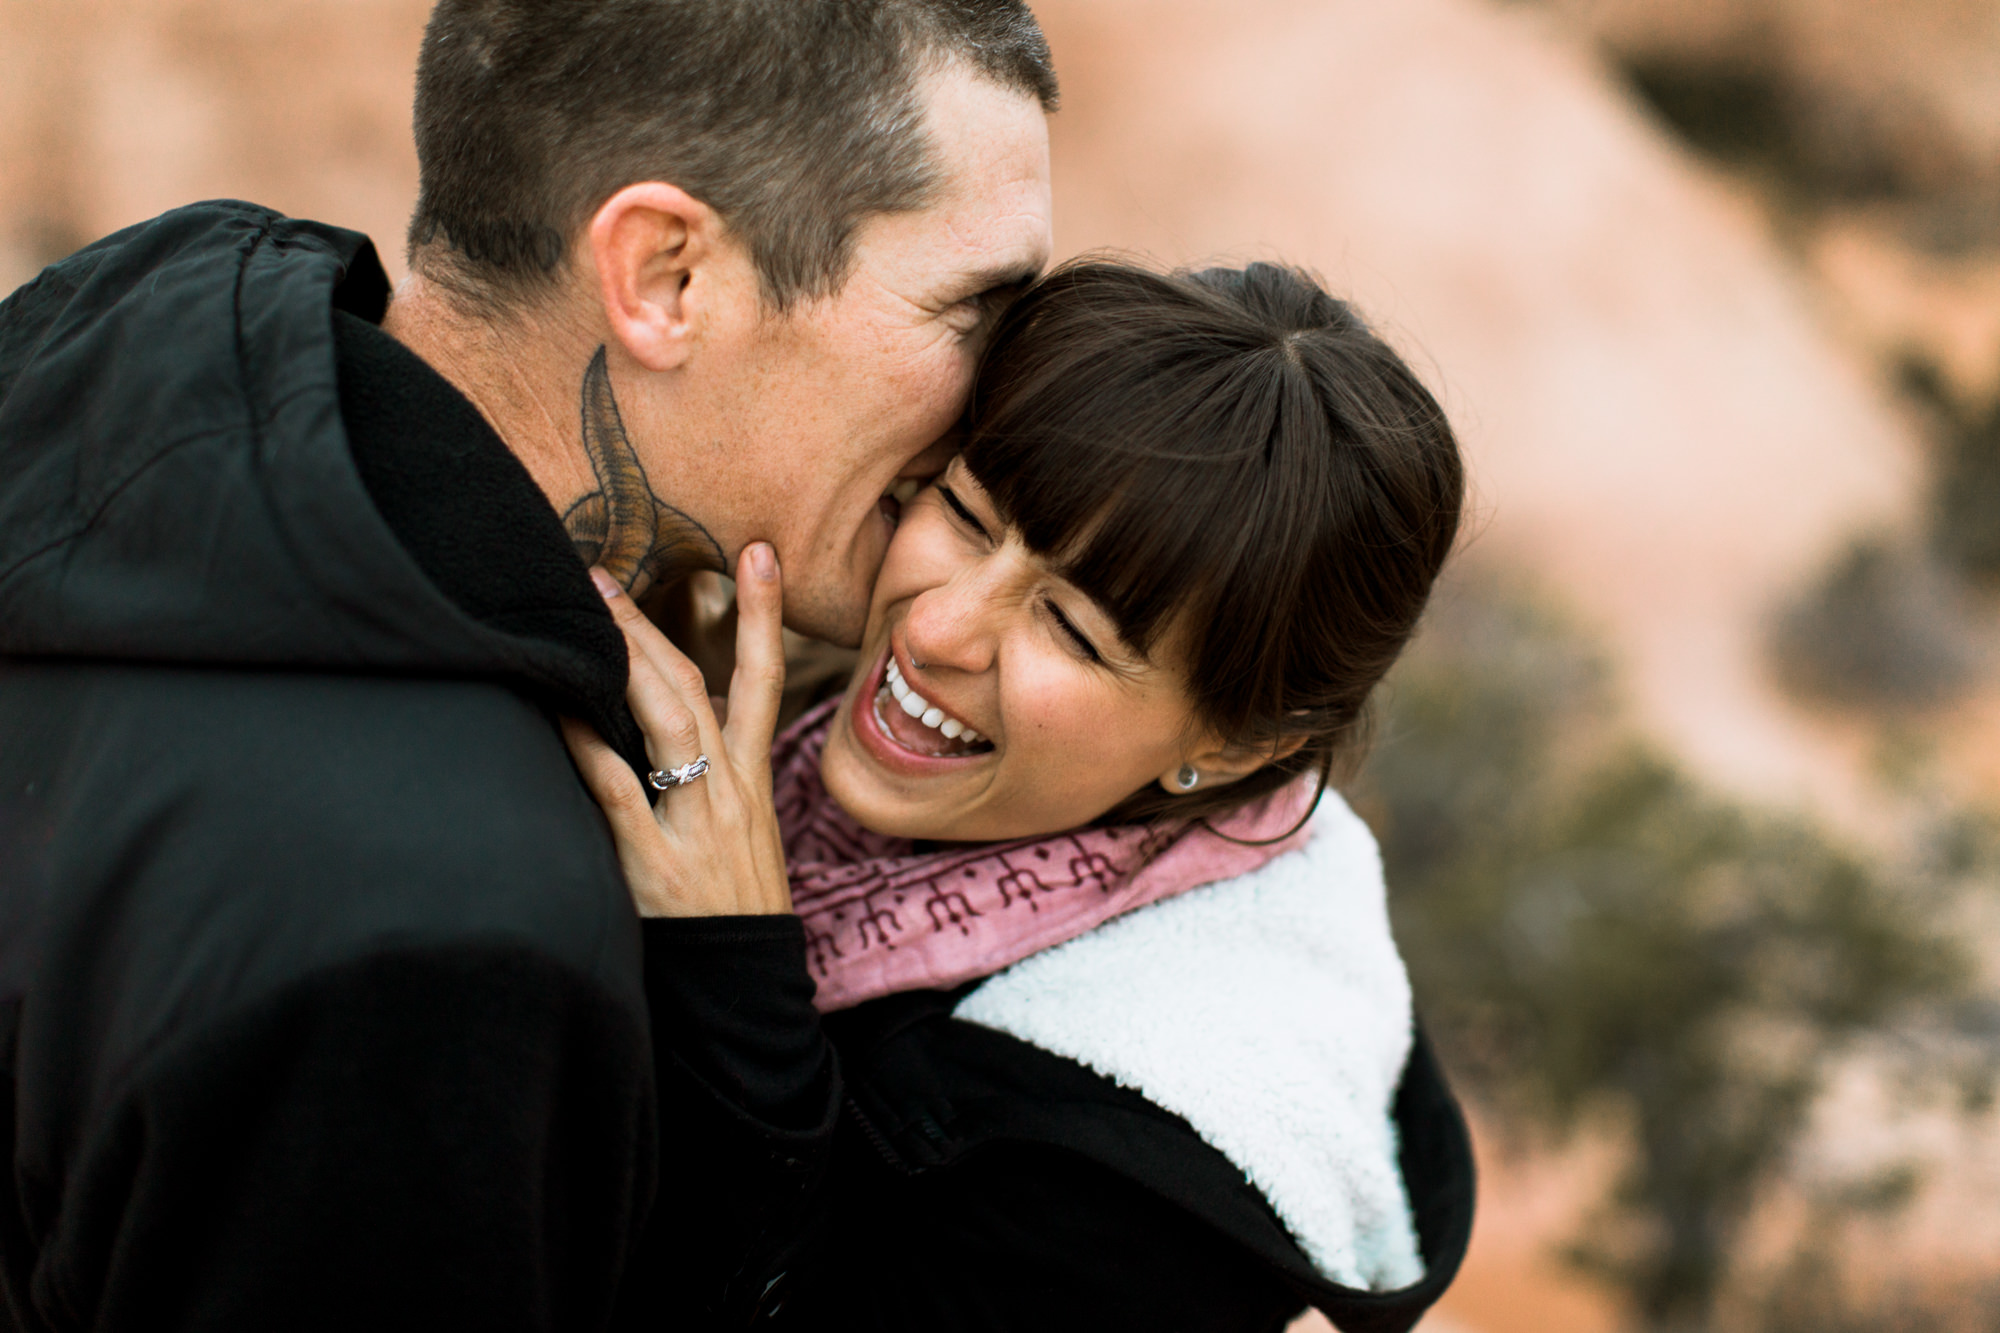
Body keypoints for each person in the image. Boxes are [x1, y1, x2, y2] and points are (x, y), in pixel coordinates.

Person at [0, 1, 1053, 1327]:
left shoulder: (143, 434)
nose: (1015, 397)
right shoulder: (442, 955)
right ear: (667, 276)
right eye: (980, 306)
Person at [565, 260, 1478, 1330]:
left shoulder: (1152, 1184)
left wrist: (729, 977)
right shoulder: (785, 686)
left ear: (1231, 748)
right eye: (965, 511)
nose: (936, 628)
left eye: (1071, 628)